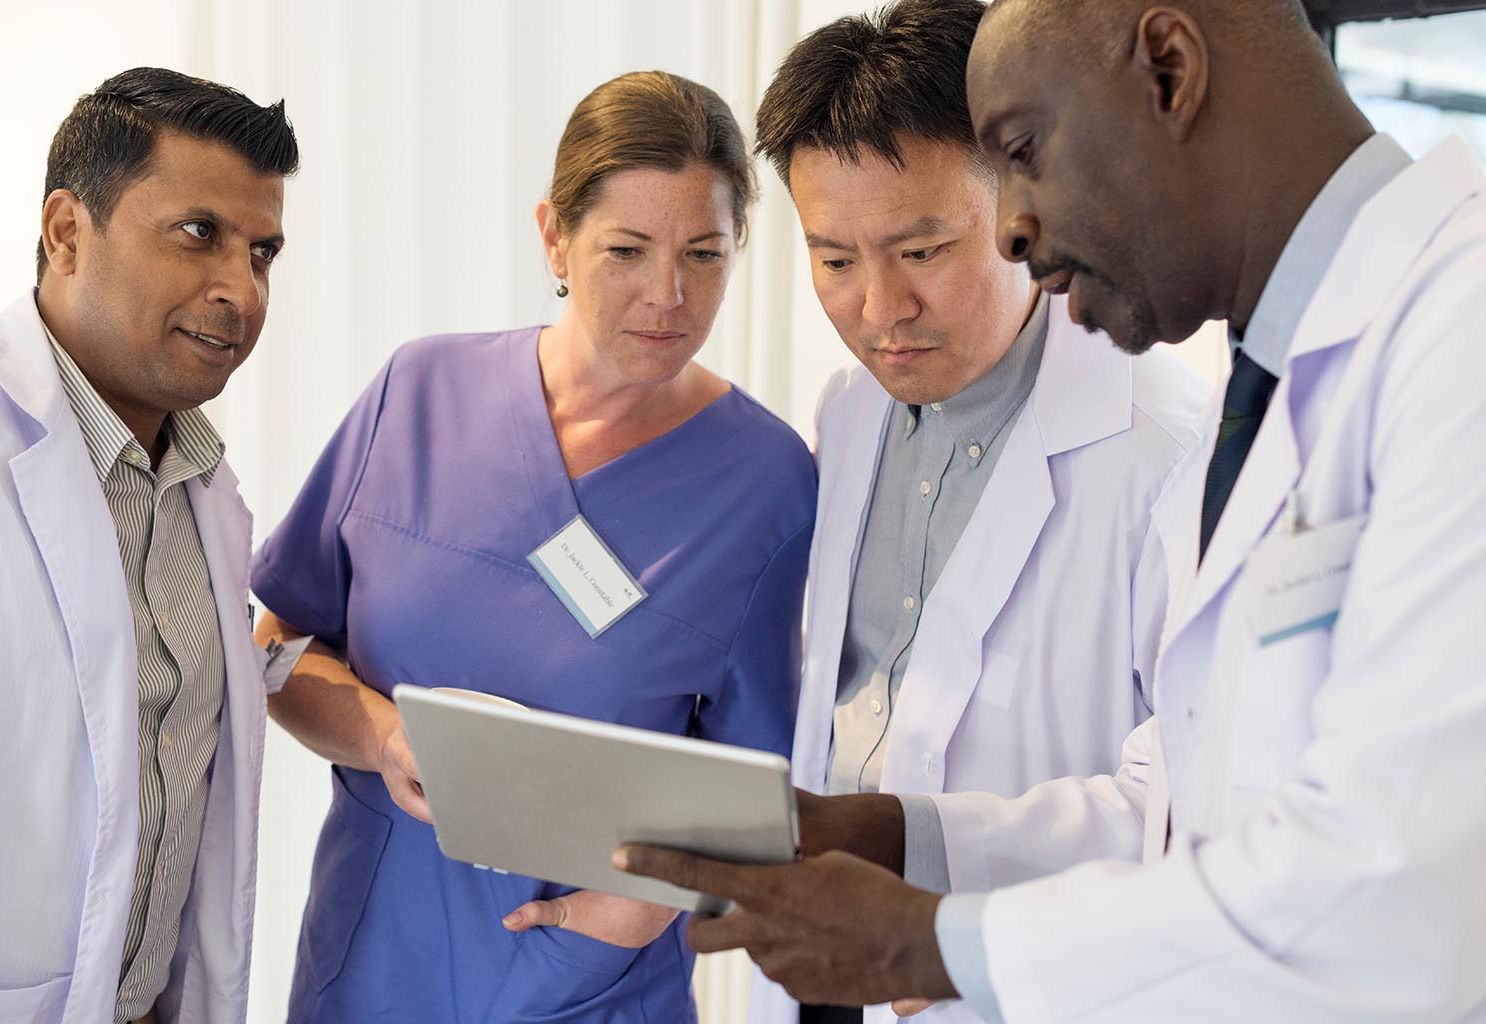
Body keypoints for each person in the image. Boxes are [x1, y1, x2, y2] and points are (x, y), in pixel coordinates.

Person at [619, 0, 1486, 1020]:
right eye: (837, 258)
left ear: (1169, 69)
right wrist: (900, 837)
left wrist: (931, 940)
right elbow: (1188, 790)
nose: (1022, 226)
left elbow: (1400, 873)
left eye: (1024, 152)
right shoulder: (1297, 378)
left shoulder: (1450, 334)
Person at [250, 69, 815, 1023]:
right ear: (554, 235)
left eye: (706, 255)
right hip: (374, 957)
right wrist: (387, 735)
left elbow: (759, 798)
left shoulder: (766, 482)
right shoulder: (417, 392)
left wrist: (623, 919)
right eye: (627, 249)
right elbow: (274, 649)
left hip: (588, 980)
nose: (668, 295)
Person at [745, 2, 1205, 1021]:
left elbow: (1180, 809)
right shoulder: (849, 413)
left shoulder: (1169, 451)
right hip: (818, 978)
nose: (878, 308)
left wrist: (901, 839)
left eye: (921, 251)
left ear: (1022, 204)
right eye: (832, 260)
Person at [0, 68, 298, 1024]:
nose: (240, 289)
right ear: (69, 233)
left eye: (262, 252)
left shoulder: (203, 492)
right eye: (199, 234)